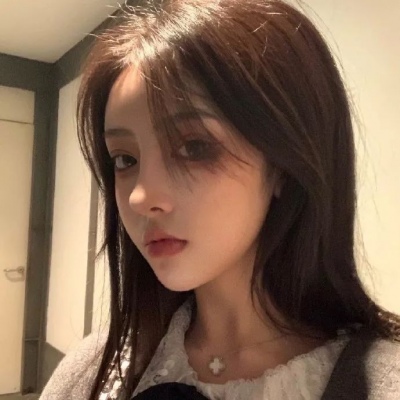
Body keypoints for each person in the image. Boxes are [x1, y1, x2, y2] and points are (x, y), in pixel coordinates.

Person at [40, 0, 400, 399]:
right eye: (125, 159)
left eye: (194, 147)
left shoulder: (383, 381)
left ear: (284, 164)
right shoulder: (91, 367)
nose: (140, 196)